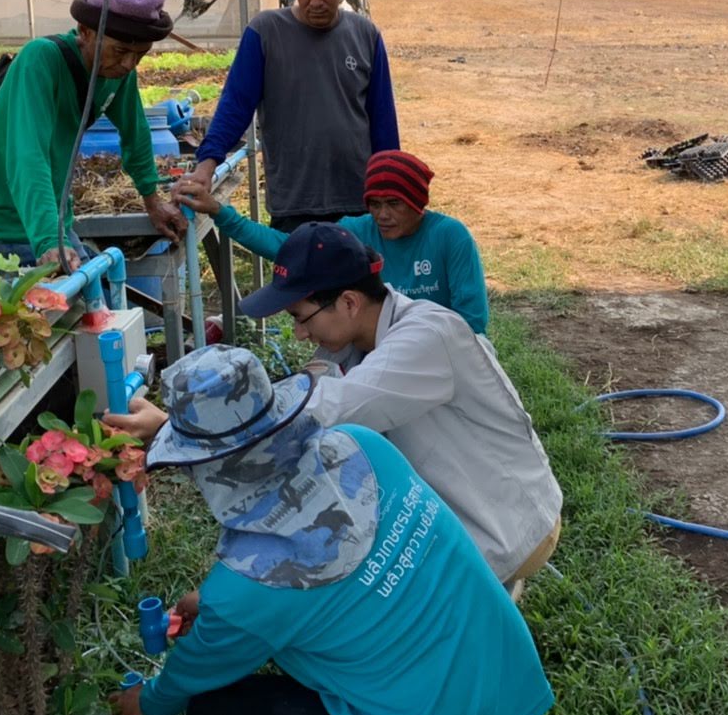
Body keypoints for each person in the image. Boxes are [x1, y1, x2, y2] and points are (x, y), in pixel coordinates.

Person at [108, 345, 553, 715]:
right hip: (512, 687)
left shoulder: (243, 592)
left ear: (203, 467)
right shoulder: (363, 447)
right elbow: (325, 579)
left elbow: (189, 675)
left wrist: (143, 704)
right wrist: (213, 606)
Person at [111, 224, 562, 590]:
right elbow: (302, 403)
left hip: (506, 529)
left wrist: (177, 429)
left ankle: (485, 605)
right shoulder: (351, 343)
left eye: (300, 319)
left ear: (348, 301)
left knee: (392, 625)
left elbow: (318, 412)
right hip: (466, 507)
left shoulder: (426, 338)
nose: (301, 335)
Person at [0, 0, 185, 269]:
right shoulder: (41, 59)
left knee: (99, 303)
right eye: (120, 51)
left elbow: (136, 132)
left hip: (55, 222)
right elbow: (28, 155)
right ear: (85, 31)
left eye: (140, 54)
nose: (129, 64)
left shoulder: (115, 72)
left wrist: (152, 200)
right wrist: (48, 241)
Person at [189, 0, 399, 232]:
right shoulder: (265, 33)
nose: (316, 1)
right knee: (300, 278)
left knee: (358, 280)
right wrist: (206, 165)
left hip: (359, 201)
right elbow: (235, 106)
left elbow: (383, 123)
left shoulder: (365, 35)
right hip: (295, 203)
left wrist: (392, 190)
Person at [173, 149, 490, 333]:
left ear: (418, 203)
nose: (383, 215)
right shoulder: (358, 231)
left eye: (394, 204)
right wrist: (219, 212)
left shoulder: (450, 236)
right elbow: (285, 247)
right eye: (375, 204)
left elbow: (472, 320)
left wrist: (416, 348)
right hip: (381, 351)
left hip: (443, 348)